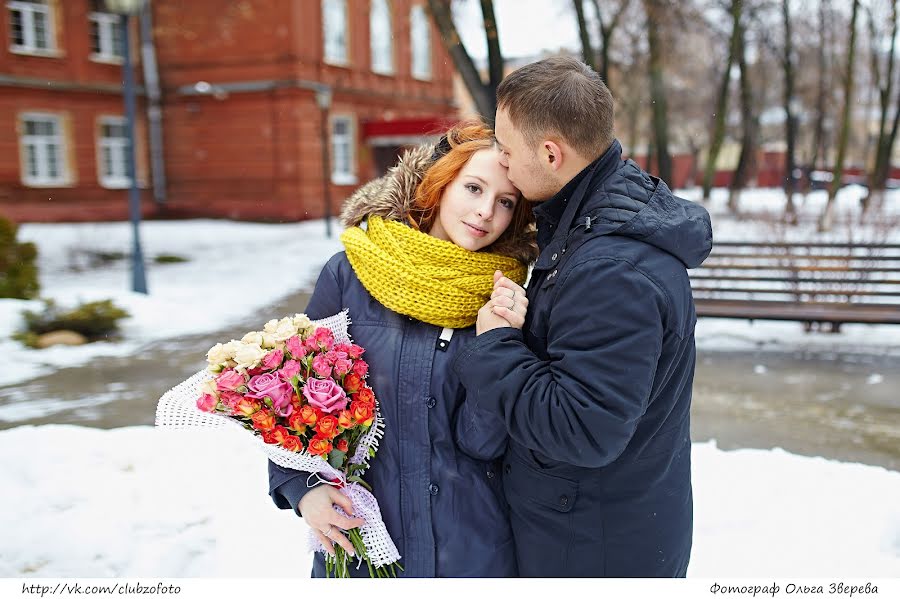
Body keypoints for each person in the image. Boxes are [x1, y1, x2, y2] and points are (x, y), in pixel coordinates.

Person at [454, 56, 713, 577]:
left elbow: (582, 429)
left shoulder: (611, 270)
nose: (500, 161)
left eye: (506, 149)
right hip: (605, 525)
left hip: (592, 551)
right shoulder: (595, 225)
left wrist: (498, 344)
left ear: (551, 154)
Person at [267, 121, 538, 577]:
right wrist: (300, 487)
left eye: (505, 201)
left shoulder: (505, 297)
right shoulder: (350, 273)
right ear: (439, 184)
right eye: (473, 188)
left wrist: (498, 343)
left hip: (469, 549)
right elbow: (291, 394)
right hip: (363, 539)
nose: (486, 211)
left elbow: (483, 441)